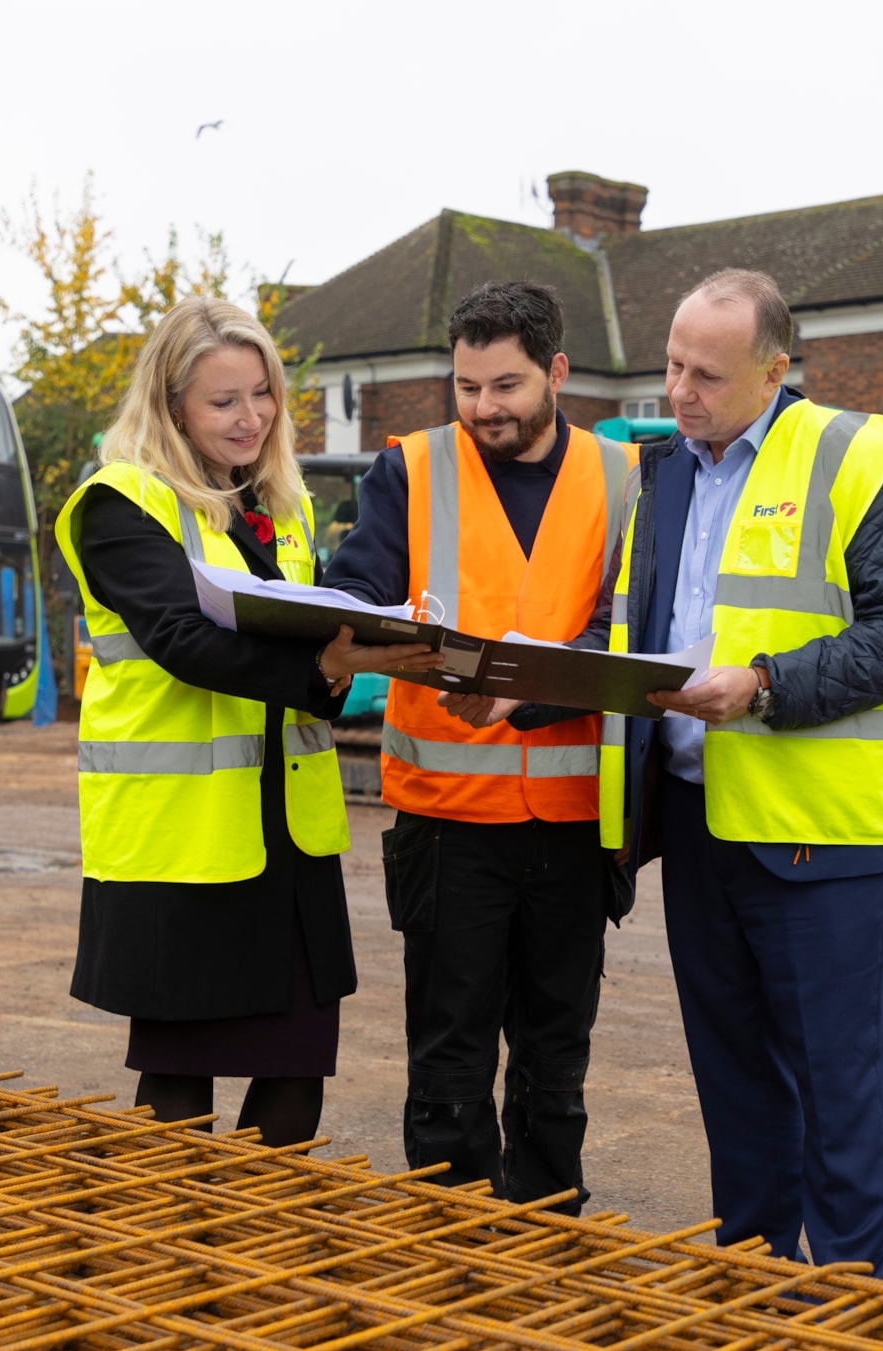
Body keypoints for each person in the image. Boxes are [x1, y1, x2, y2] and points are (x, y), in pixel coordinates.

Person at [597, 269, 883, 1277]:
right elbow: (636, 633)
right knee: (736, 1075)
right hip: (699, 820)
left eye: (706, 373)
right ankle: (752, 1276)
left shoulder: (855, 457)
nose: (679, 389)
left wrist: (760, 685)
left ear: (774, 370)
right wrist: (523, 681)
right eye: (671, 364)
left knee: (836, 1084)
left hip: (817, 833)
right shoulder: (660, 474)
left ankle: (843, 1304)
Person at [55, 296, 440, 1144]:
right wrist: (324, 667)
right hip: (183, 842)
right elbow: (179, 640)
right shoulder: (119, 505)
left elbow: (307, 651)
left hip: (288, 841)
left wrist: (358, 656)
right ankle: (178, 1262)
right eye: (223, 401)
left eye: (261, 394)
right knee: (180, 1090)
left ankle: (259, 1268)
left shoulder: (281, 507)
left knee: (298, 1076)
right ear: (171, 406)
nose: (252, 417)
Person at [322, 280, 635, 1212]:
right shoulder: (409, 470)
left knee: (554, 1052)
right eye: (466, 387)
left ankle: (544, 1229)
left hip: (577, 822)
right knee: (450, 1050)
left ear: (557, 373)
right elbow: (358, 598)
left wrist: (529, 694)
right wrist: (388, 641)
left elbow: (629, 626)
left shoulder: (627, 479)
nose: (483, 408)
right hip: (448, 823)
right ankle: (450, 1244)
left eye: (504, 386)